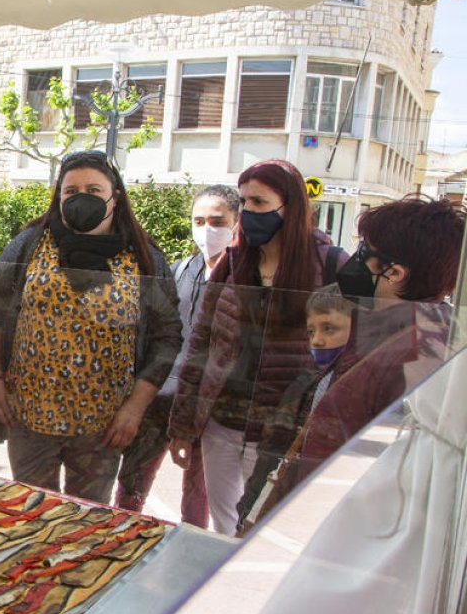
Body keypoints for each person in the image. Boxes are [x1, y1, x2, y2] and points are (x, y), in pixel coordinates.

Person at [238, 196, 464, 532]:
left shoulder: (412, 356)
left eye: (364, 253)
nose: (352, 262)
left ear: (395, 274)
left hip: (339, 526)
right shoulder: (396, 333)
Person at [0, 150, 182, 502]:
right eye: (71, 192)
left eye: (93, 189)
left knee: (85, 520)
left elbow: (168, 335)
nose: (81, 198)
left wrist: (135, 408)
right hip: (29, 417)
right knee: (30, 513)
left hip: (103, 427)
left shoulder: (144, 257)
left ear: (114, 197)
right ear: (58, 196)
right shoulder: (29, 243)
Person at [168, 158, 346, 536]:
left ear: (290, 207)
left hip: (280, 430)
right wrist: (182, 425)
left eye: (260, 203)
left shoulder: (329, 265)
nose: (248, 212)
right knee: (223, 527)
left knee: (261, 527)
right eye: (244, 202)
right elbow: (202, 341)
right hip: (224, 422)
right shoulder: (234, 263)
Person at [116, 184, 239, 526]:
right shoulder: (179, 270)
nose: (207, 230)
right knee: (131, 487)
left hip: (207, 406)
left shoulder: (243, 281)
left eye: (217, 220)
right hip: (160, 397)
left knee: (197, 496)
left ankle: (188, 555)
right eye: (198, 220)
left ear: (236, 223)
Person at [236, 286, 355, 532]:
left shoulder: (355, 385)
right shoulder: (304, 384)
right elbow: (271, 451)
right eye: (311, 331)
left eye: (329, 328)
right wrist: (248, 508)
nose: (317, 340)